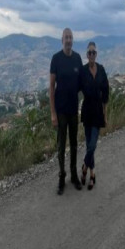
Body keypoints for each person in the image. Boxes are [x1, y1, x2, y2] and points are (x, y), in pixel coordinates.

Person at [49, 28, 84, 194]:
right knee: (61, 147)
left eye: (70, 37)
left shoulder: (77, 58)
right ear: (62, 40)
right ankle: (62, 177)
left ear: (72, 40)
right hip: (61, 110)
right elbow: (51, 86)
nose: (69, 40)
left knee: (74, 144)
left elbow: (82, 82)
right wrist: (53, 113)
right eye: (66, 37)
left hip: (73, 109)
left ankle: (74, 175)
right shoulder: (56, 59)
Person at [79, 41, 109, 190]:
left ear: (96, 54)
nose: (91, 54)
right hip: (87, 112)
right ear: (87, 55)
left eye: (94, 52)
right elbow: (76, 88)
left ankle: (84, 167)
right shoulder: (83, 71)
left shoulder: (101, 70)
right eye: (89, 52)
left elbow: (106, 94)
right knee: (89, 145)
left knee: (92, 145)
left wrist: (105, 114)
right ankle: (92, 175)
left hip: (97, 112)